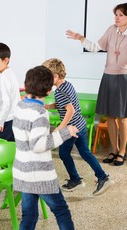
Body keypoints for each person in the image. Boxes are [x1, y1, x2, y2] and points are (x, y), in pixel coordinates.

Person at [12, 65, 104, 230]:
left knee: (28, 216)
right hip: (40, 175)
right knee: (61, 211)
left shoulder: (19, 106)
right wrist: (65, 132)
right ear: (48, 91)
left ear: (26, 85)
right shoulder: (40, 114)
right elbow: (39, 145)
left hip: (22, 172)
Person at [66, 2, 127, 166]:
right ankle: (114, 149)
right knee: (110, 115)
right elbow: (97, 47)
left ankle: (122, 152)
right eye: (116, 14)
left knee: (124, 117)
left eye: (121, 15)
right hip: (108, 76)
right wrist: (81, 38)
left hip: (124, 78)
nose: (117, 18)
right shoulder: (111, 30)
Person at [42, 58, 114, 196]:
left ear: (55, 76)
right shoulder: (67, 85)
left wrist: (60, 128)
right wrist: (49, 106)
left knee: (63, 154)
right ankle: (103, 177)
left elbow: (70, 110)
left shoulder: (58, 92)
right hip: (80, 125)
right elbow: (66, 104)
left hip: (71, 129)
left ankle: (75, 180)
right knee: (85, 153)